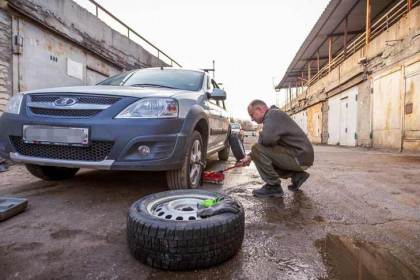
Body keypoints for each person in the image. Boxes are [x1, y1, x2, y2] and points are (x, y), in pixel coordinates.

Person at [239, 100, 314, 197]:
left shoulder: (272, 115)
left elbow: (266, 140)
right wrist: (250, 156)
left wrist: (253, 153)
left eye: (252, 115)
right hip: (301, 156)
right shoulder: (273, 114)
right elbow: (269, 144)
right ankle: (297, 176)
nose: (252, 119)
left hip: (299, 157)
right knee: (262, 155)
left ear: (259, 109)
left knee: (256, 148)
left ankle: (273, 186)